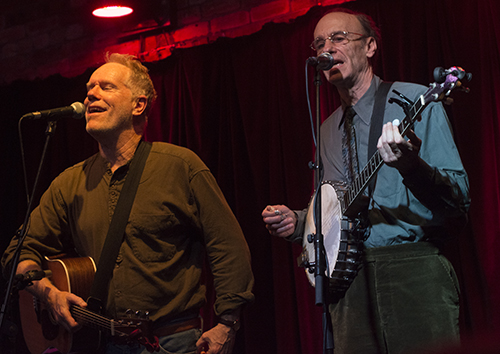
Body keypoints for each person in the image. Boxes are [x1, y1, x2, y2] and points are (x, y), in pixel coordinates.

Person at [2, 53, 254, 354]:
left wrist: (227, 323)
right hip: (98, 344)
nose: (91, 94)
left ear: (139, 105)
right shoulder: (69, 183)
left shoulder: (180, 167)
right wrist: (47, 293)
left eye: (106, 86)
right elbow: (16, 254)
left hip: (172, 342)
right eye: (89, 88)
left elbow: (228, 246)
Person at [262, 8, 470, 354]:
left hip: (411, 270)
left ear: (370, 46)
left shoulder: (414, 101)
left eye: (339, 38)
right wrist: (299, 221)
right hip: (349, 286)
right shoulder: (327, 128)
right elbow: (333, 208)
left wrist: (411, 165)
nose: (327, 49)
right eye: (319, 43)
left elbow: (458, 198)